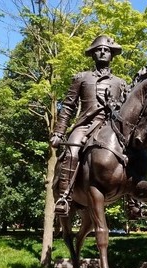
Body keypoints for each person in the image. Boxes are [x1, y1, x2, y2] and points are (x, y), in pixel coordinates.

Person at [50, 35, 127, 216]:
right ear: (93, 54)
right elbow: (68, 106)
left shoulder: (121, 83)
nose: (102, 52)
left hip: (112, 128)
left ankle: (134, 203)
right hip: (86, 125)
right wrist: (59, 133)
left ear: (112, 54)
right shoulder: (81, 78)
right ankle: (64, 197)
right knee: (72, 151)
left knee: (130, 154)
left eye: (106, 50)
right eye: (98, 50)